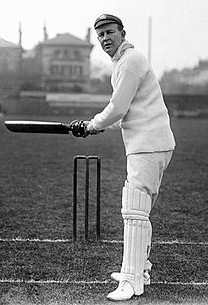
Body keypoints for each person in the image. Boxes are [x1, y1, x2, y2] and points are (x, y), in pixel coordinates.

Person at [84, 14, 176, 301]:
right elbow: (126, 109)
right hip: (150, 143)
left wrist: (92, 124)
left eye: (110, 32)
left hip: (147, 145)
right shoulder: (123, 63)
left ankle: (132, 281)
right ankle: (141, 270)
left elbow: (118, 107)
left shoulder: (131, 61)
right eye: (100, 35)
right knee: (140, 212)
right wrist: (98, 125)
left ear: (122, 33)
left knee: (134, 212)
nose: (105, 39)